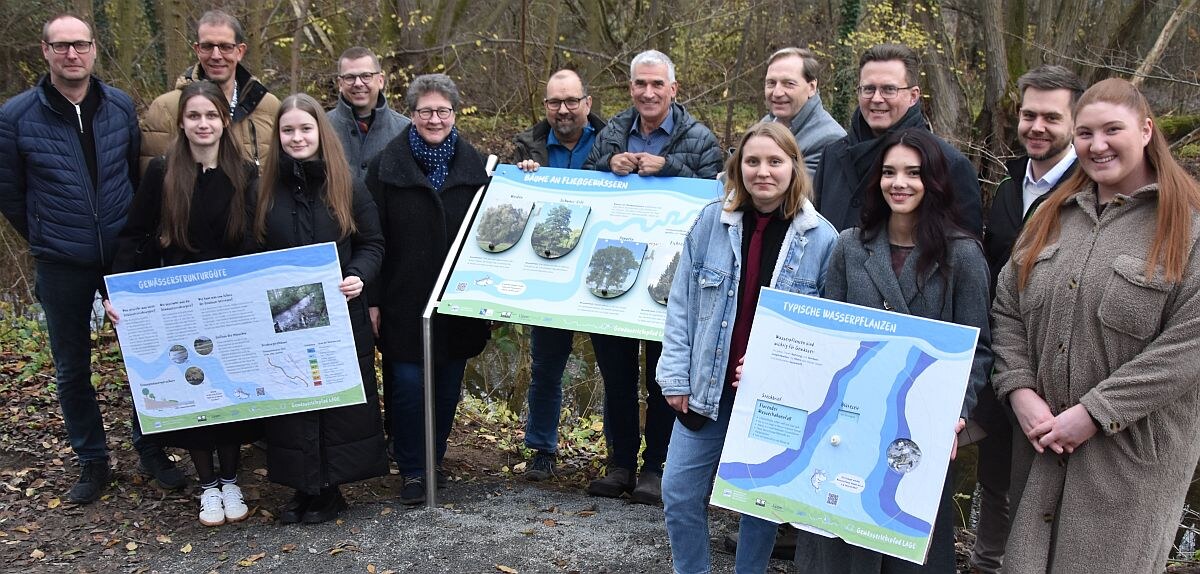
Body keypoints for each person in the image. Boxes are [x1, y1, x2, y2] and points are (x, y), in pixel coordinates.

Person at [991, 78, 1200, 573]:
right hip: (1041, 445)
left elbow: (1189, 344)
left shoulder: (1186, 226)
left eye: (1113, 130)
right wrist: (1019, 390)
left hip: (1128, 461)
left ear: (1147, 130)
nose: (1097, 145)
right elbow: (1006, 308)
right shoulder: (1052, 215)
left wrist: (1094, 412)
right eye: (1085, 133)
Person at [0, 13, 184, 503]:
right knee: (71, 366)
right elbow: (11, 193)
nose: (71, 54)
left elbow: (130, 174)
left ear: (94, 49)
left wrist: (130, 238)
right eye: (60, 46)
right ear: (45, 52)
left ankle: (151, 447)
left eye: (79, 44)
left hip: (123, 256)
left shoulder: (120, 106)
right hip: (61, 260)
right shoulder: (16, 116)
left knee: (146, 357)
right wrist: (46, 233)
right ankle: (93, 460)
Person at [797, 128, 992, 573]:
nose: (898, 183)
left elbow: (978, 351)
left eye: (913, 173)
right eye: (888, 172)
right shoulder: (850, 246)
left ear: (935, 181)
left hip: (922, 429)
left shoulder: (962, 255)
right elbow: (830, 339)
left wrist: (954, 416)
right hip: (849, 427)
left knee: (910, 548)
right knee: (841, 547)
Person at [658, 121, 838, 573]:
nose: (763, 172)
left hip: (773, 398)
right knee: (678, 491)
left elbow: (825, 334)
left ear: (793, 167)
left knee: (758, 502)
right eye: (752, 162)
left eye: (775, 162)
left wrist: (780, 374)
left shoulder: (822, 239)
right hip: (706, 387)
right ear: (738, 168)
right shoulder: (710, 221)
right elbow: (681, 302)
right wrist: (676, 375)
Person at [104, 81, 260, 526]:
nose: (203, 124)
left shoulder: (245, 171)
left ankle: (231, 477)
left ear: (224, 120)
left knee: (228, 387)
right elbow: (135, 236)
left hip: (229, 301)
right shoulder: (162, 171)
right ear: (182, 123)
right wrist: (118, 294)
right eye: (194, 116)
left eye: (211, 115)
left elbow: (258, 238)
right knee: (195, 386)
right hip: (175, 304)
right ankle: (207, 484)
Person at [580, 49, 723, 504]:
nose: (648, 92)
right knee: (616, 375)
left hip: (672, 282)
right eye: (640, 84)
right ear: (630, 88)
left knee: (665, 379)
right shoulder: (611, 132)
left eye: (657, 84)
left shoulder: (699, 138)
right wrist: (607, 166)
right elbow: (585, 185)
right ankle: (620, 463)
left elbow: (721, 196)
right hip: (614, 275)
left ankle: (656, 469)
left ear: (673, 89)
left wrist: (673, 169)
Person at [253, 93, 387, 524]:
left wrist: (358, 274)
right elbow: (249, 249)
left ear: (320, 133)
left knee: (335, 401)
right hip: (282, 316)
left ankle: (329, 488)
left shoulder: (346, 182)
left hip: (339, 311)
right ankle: (302, 487)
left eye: (305, 129)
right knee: (292, 400)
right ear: (278, 136)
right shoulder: (261, 191)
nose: (297, 137)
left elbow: (372, 243)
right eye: (288, 130)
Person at [972, 64, 1082, 574]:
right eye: (1028, 114)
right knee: (993, 474)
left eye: (1051, 117)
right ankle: (988, 562)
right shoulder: (1013, 182)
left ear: (1075, 120)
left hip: (1066, 363)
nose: (1036, 126)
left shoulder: (1093, 185)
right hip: (1004, 355)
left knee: (1048, 487)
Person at [363, 74, 491, 505]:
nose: (434, 119)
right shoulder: (385, 165)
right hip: (402, 298)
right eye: (425, 111)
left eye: (443, 111)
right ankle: (413, 471)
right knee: (408, 385)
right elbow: (371, 236)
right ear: (411, 114)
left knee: (447, 386)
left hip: (458, 301)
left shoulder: (479, 169)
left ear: (455, 114)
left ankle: (433, 459)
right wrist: (374, 299)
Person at [511, 69, 607, 481]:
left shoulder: (612, 141)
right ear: (545, 106)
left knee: (615, 371)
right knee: (546, 368)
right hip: (549, 272)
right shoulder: (527, 146)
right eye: (554, 102)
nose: (563, 110)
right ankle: (541, 450)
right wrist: (520, 175)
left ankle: (620, 461)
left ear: (588, 102)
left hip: (603, 272)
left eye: (571, 101)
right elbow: (512, 202)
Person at [813, 44, 981, 236]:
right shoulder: (832, 156)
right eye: (868, 89)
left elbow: (965, 257)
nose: (876, 98)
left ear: (913, 96)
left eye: (889, 89)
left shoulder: (949, 165)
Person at [141, 10, 280, 173]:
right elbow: (153, 183)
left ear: (240, 51)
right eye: (207, 46)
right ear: (197, 49)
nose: (216, 55)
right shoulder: (166, 108)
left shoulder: (268, 106)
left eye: (225, 47)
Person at [327, 46, 411, 186]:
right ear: (340, 84)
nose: (358, 83)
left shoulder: (405, 130)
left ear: (380, 80)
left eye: (366, 76)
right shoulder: (321, 128)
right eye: (350, 77)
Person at [761, 47, 846, 176]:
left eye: (788, 83)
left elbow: (801, 192)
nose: (777, 93)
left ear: (811, 87)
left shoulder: (830, 140)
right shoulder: (766, 123)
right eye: (771, 83)